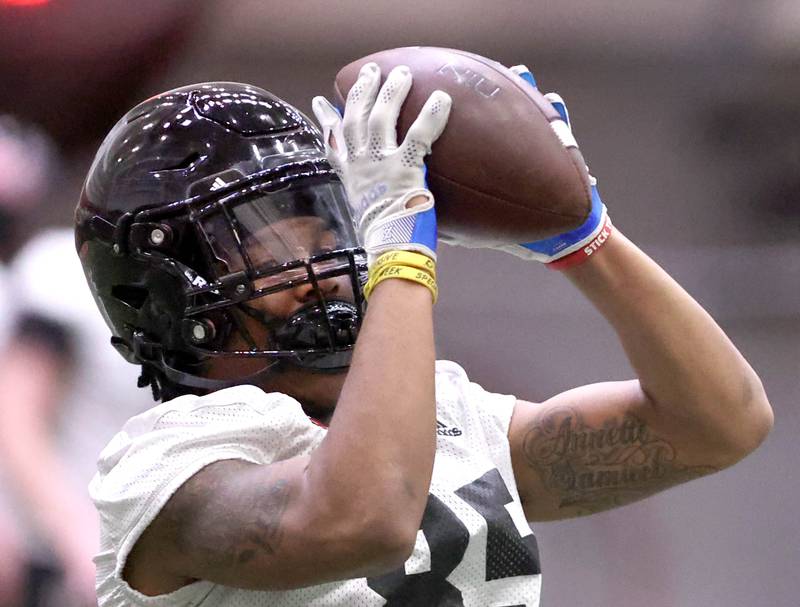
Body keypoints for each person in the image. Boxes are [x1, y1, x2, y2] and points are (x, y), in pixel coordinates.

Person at [77, 64, 772, 606]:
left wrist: (589, 240)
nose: (325, 268)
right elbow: (362, 518)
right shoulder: (166, 461)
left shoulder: (442, 412)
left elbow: (718, 423)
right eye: (274, 247)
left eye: (330, 223)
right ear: (166, 293)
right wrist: (402, 254)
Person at [0, 116, 153, 607]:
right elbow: (17, 416)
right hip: (73, 555)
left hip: (162, 549)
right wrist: (78, 546)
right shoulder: (58, 272)